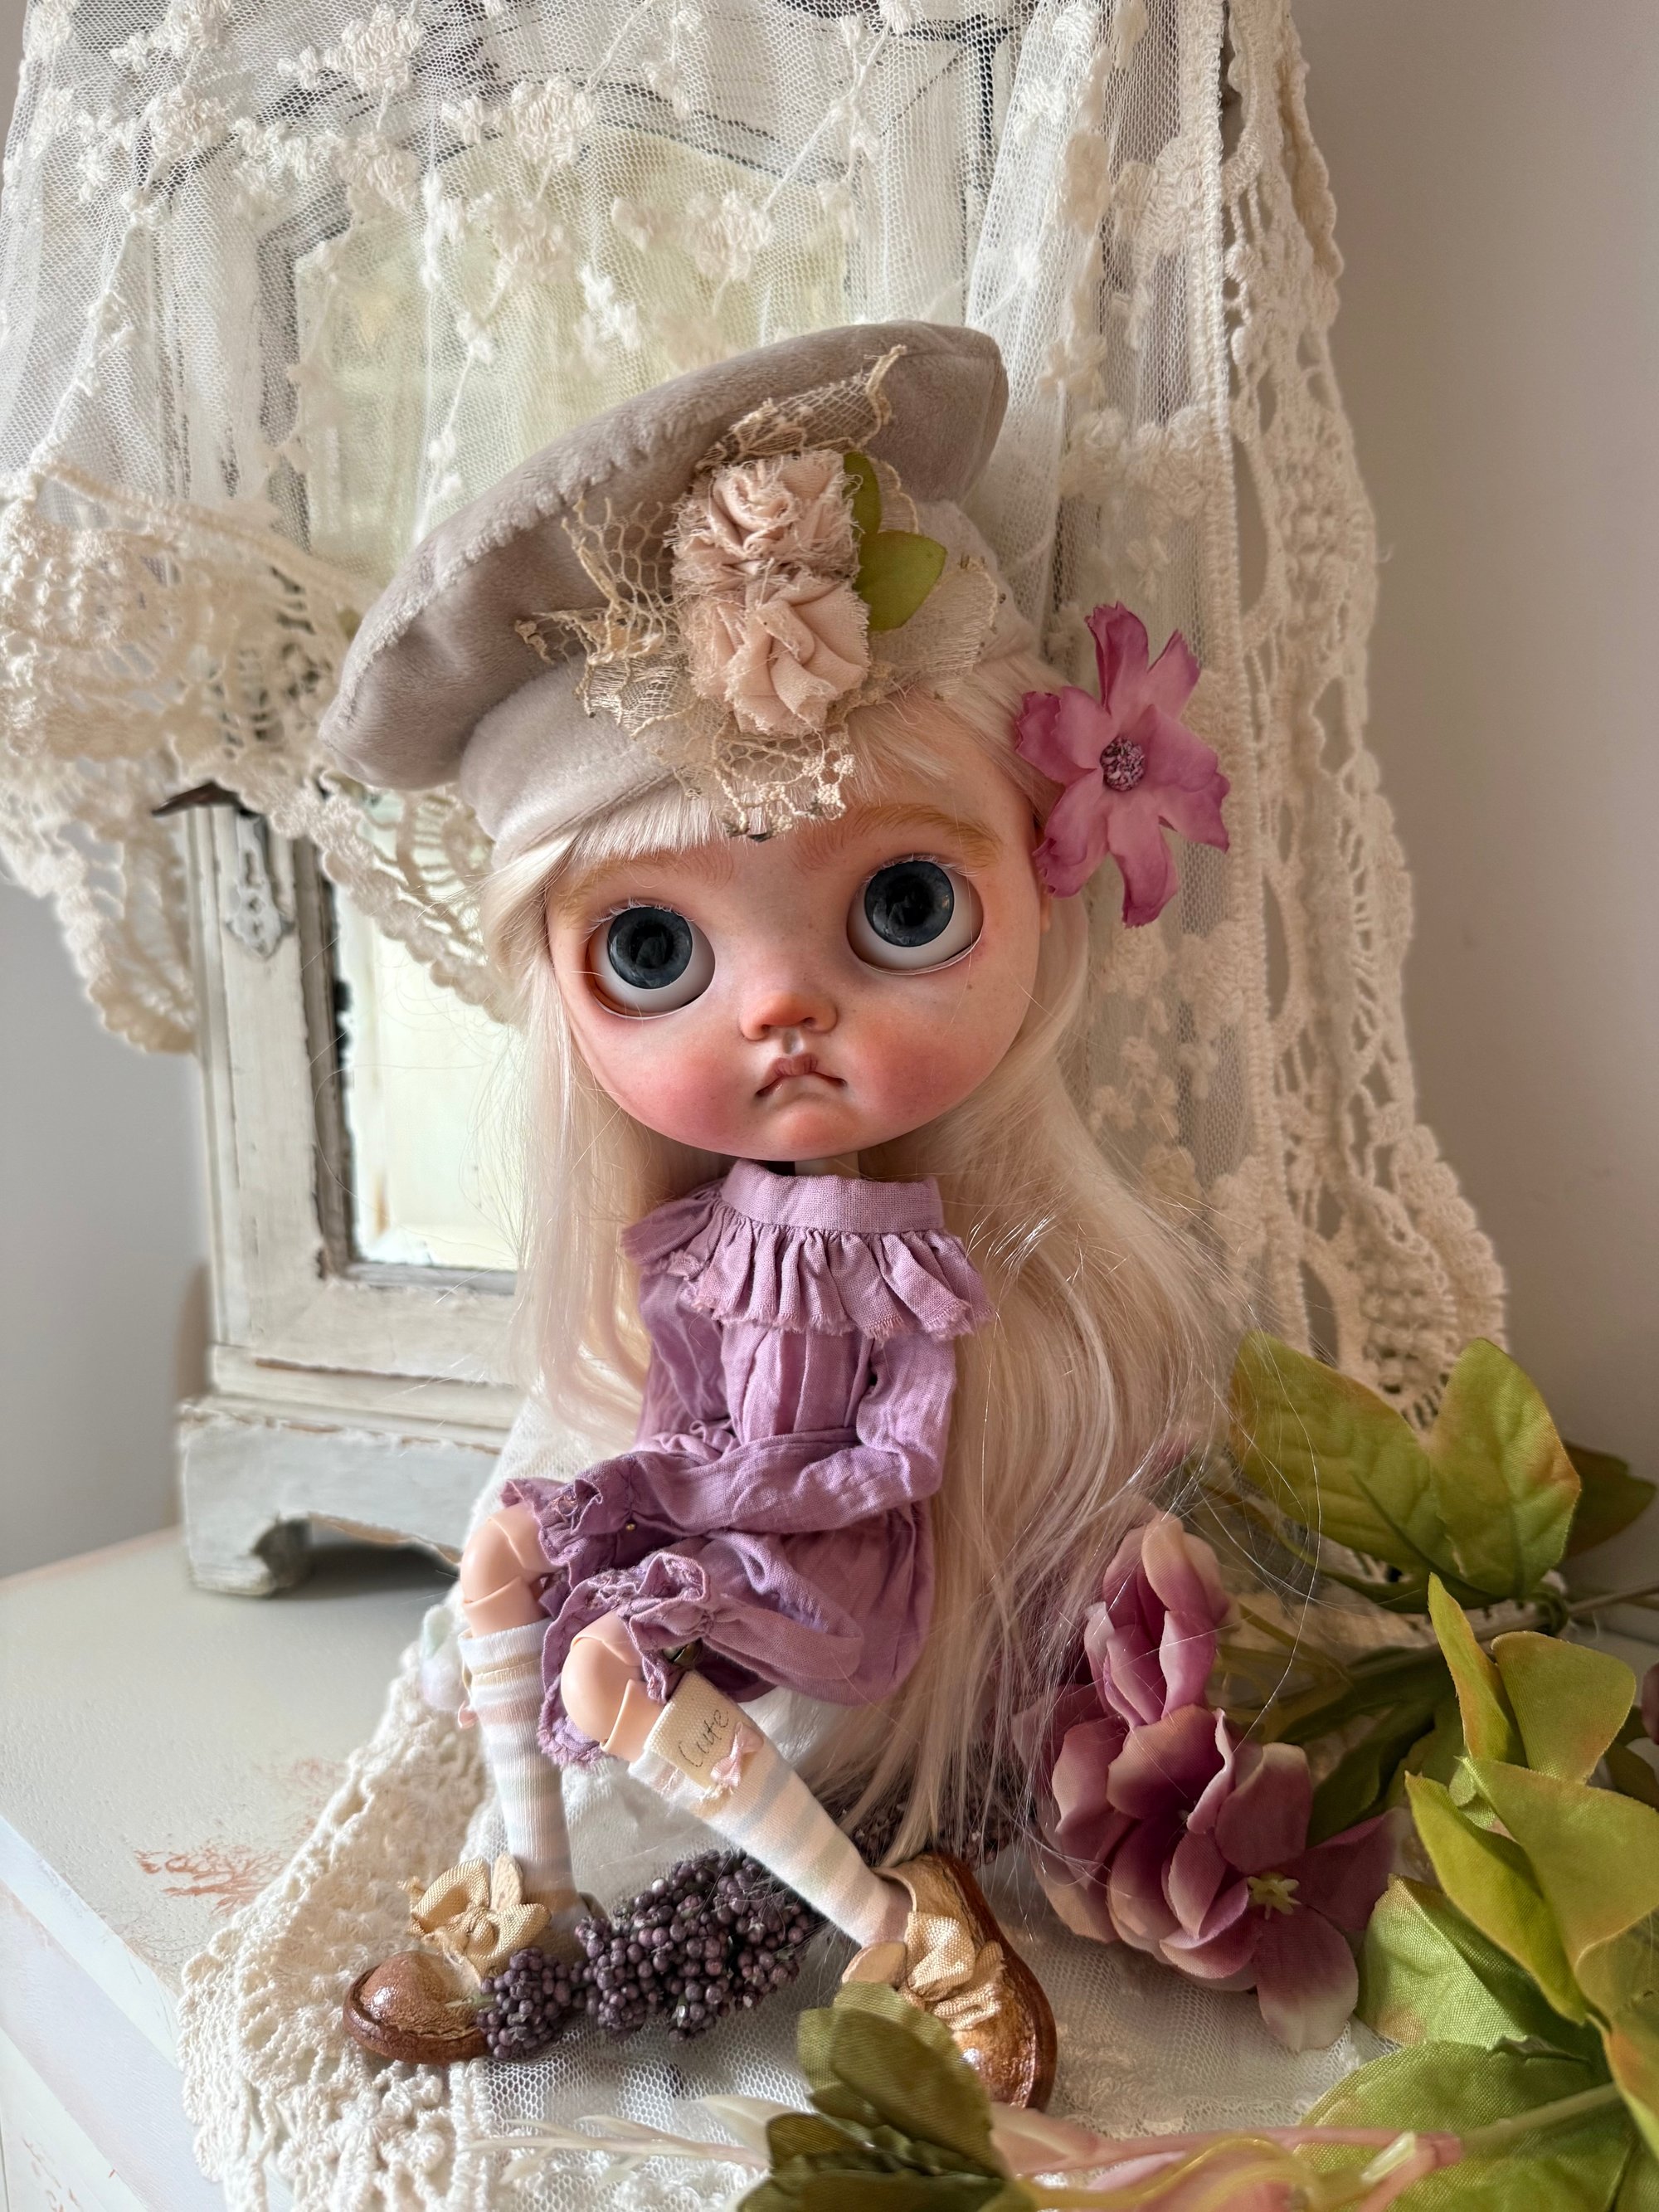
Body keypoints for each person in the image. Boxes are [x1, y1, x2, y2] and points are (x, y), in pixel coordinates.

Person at [321, 321, 1228, 2107]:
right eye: (656, 948)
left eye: (904, 905)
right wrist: (652, 1493)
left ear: (1042, 873)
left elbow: (901, 1448)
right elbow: (643, 1400)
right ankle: (531, 1888)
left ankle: (887, 1923)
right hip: (717, 1530)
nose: (781, 1010)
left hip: (832, 1567)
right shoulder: (683, 1241)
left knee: (605, 1662)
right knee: (505, 1555)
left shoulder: (921, 1260)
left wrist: (732, 1499)